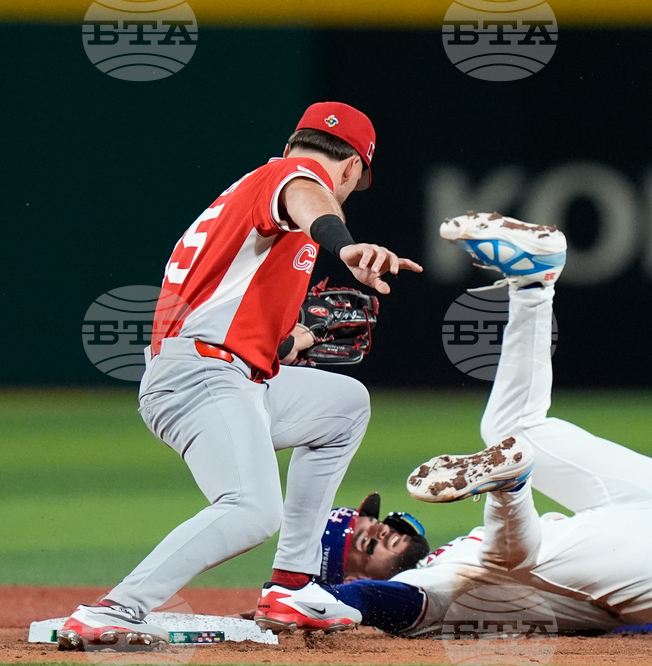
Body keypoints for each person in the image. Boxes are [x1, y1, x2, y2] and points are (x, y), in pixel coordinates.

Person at [57, 102, 422, 651]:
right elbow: (305, 188)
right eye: (354, 180)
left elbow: (229, 316)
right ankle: (114, 609)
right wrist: (343, 243)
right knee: (252, 509)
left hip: (225, 371)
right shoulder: (288, 179)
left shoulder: (261, 204)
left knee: (345, 405)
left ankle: (291, 586)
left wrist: (292, 341)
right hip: (199, 376)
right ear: (349, 168)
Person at [307, 213, 652, 637]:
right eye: (366, 542)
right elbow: (369, 600)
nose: (383, 530)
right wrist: (299, 601)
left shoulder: (447, 567)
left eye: (377, 524)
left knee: (512, 430)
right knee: (506, 519)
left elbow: (572, 609)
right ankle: (510, 482)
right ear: (355, 577)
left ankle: (533, 280)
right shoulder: (421, 587)